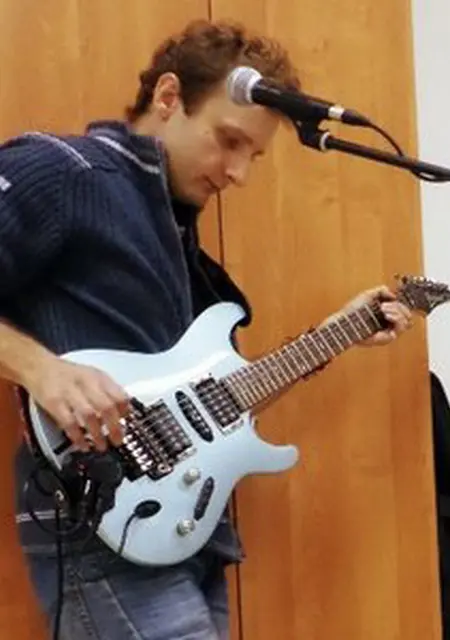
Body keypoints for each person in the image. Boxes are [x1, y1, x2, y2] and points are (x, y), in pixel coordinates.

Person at [0, 19, 412, 640]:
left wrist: (336, 333)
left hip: (183, 531)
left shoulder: (178, 236)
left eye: (254, 155)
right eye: (229, 140)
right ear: (169, 97)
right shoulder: (64, 171)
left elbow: (216, 406)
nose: (238, 173)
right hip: (98, 523)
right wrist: (41, 370)